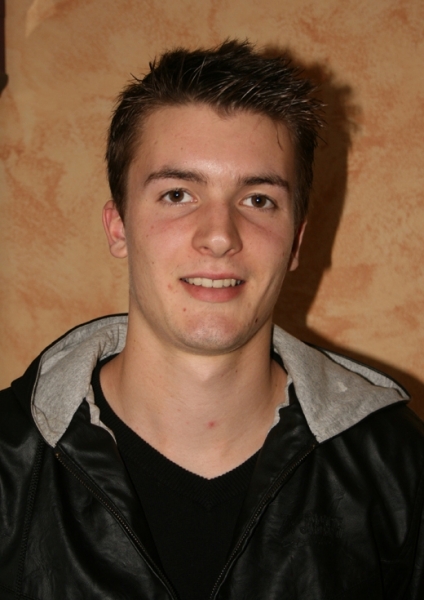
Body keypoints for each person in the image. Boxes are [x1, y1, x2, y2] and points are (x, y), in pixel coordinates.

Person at [0, 40, 423, 600]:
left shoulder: (397, 468)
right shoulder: (9, 461)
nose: (220, 236)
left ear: (296, 243)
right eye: (178, 194)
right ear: (118, 227)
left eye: (258, 200)